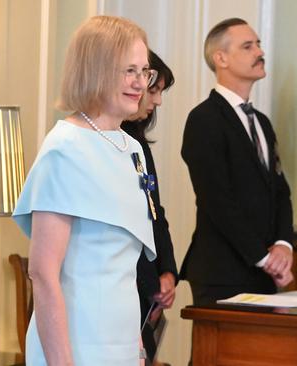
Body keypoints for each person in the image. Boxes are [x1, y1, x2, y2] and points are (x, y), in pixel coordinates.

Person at [12, 16, 157, 365]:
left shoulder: (131, 149)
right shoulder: (65, 148)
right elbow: (44, 274)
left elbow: (123, 269)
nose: (140, 83)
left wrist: (137, 348)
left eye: (145, 71)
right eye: (129, 71)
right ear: (97, 70)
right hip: (74, 343)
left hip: (121, 343)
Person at [179, 18, 294, 305]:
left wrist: (283, 245)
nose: (259, 52)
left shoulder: (263, 123)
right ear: (221, 58)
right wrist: (264, 258)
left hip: (264, 272)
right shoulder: (204, 119)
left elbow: (279, 190)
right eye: (248, 46)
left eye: (258, 44)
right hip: (223, 271)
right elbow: (216, 199)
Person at [121, 49, 177, 364]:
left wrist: (168, 270)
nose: (155, 100)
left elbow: (154, 212)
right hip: (125, 288)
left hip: (144, 288)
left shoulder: (138, 144)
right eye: (153, 89)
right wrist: (151, 281)